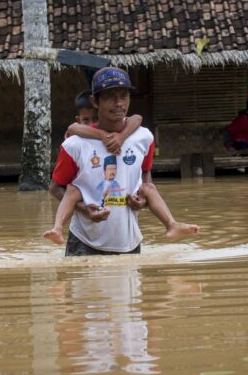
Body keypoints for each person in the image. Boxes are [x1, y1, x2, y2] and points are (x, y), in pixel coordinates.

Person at [44, 67, 199, 255]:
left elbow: (145, 173)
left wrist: (143, 199)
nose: (119, 103)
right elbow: (55, 187)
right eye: (110, 96)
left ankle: (172, 224)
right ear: (95, 101)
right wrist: (83, 209)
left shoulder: (144, 138)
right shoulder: (74, 145)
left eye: (124, 96)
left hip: (130, 242)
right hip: (85, 243)